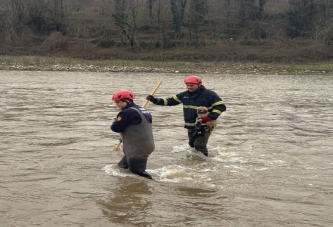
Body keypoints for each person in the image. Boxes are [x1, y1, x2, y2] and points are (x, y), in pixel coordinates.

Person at [146, 75, 226, 157]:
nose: (189, 87)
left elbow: (221, 106)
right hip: (190, 125)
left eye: (192, 85)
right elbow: (169, 101)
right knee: (192, 145)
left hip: (205, 125)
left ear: (199, 84)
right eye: (187, 85)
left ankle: (205, 165)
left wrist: (210, 117)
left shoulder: (209, 94)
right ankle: (196, 163)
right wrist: (154, 100)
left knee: (199, 145)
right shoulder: (184, 95)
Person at [110, 90, 155, 179]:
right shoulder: (144, 110)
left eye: (118, 102)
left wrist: (115, 122)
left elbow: (116, 128)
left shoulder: (126, 112)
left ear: (126, 101)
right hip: (145, 145)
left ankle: (155, 185)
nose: (117, 105)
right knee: (121, 168)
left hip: (137, 148)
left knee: (138, 173)